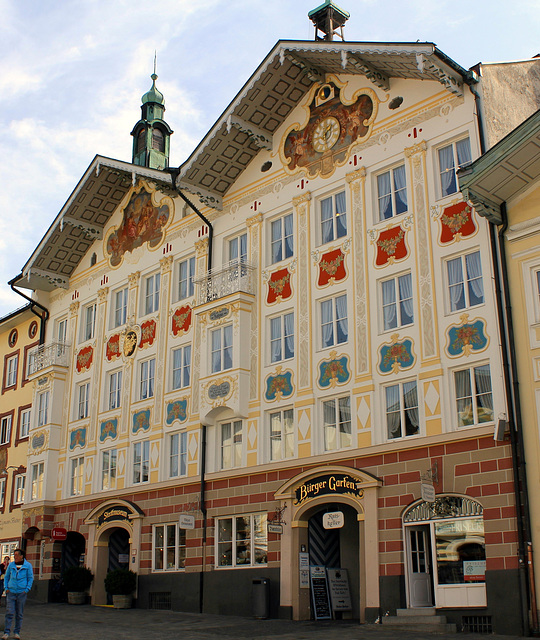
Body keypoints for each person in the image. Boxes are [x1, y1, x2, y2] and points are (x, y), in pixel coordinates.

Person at [2, 549, 33, 640]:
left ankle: (17, 632)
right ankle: (6, 632)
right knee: (9, 612)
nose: (15, 556)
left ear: (21, 556)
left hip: (21, 593)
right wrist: (6, 588)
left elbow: (30, 578)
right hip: (11, 592)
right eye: (14, 554)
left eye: (16, 555)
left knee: (19, 613)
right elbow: (6, 577)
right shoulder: (11, 565)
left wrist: (27, 589)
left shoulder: (27, 566)